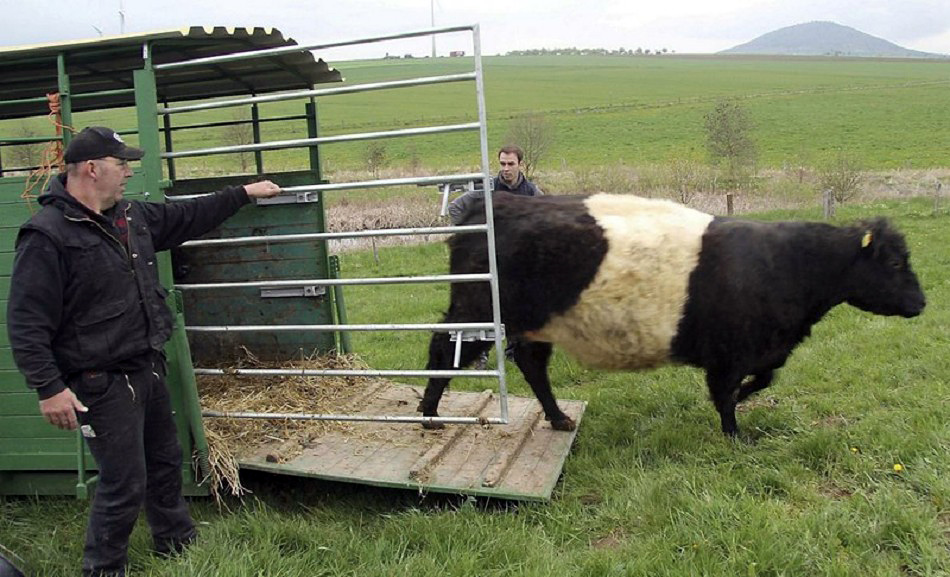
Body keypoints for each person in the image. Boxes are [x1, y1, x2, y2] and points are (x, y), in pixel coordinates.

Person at [6, 126, 282, 577]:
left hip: (145, 365)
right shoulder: (48, 235)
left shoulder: (131, 216)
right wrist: (49, 387)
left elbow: (188, 215)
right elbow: (26, 321)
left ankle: (175, 541)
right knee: (123, 481)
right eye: (122, 164)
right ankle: (104, 565)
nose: (129, 172)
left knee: (164, 462)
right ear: (92, 169)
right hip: (98, 378)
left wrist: (242, 193)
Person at [447, 144, 541, 224]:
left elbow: (544, 219)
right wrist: (471, 234)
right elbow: (454, 208)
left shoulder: (532, 192)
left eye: (511, 164)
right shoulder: (488, 188)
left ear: (521, 164)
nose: (506, 169)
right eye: (503, 164)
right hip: (493, 244)